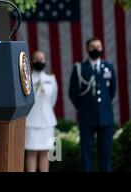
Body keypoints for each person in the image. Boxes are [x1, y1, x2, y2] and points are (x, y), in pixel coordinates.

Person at [69, 37, 116, 172]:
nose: (96, 49)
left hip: (105, 116)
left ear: (102, 48)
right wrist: (83, 107)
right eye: (92, 47)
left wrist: (102, 107)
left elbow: (112, 91)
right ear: (87, 49)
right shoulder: (80, 68)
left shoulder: (108, 67)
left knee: (106, 153)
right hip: (86, 116)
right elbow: (73, 93)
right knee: (86, 154)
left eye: (98, 46)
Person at [25, 50, 58, 172]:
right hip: (31, 121)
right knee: (32, 151)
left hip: (47, 121)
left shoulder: (51, 78)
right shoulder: (27, 78)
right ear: (32, 61)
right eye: (37, 59)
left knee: (45, 152)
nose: (39, 61)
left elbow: (53, 99)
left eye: (42, 59)